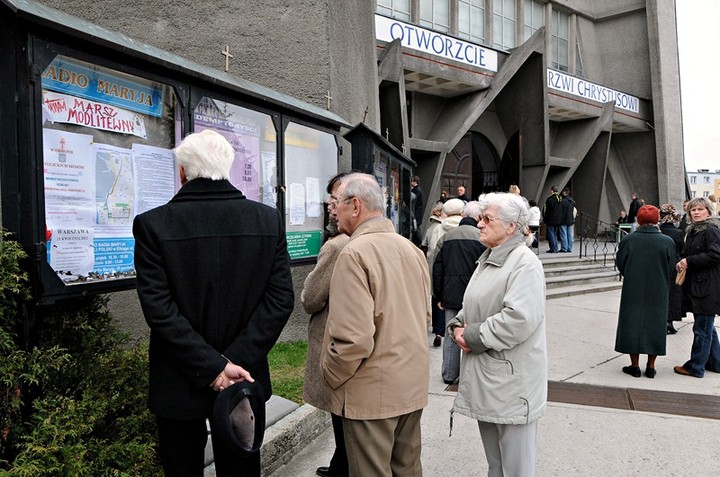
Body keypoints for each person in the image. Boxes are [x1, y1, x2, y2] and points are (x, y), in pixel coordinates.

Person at [133, 130, 294, 477]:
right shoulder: (267, 221)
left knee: (182, 469)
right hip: (244, 376)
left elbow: (159, 310)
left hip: (179, 377)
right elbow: (280, 299)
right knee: (241, 467)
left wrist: (213, 368)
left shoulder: (152, 225)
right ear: (228, 167)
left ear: (182, 172)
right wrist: (231, 365)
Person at [321, 173, 431, 476]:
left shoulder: (353, 253)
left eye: (336, 203)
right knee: (407, 469)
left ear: (355, 206)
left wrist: (330, 376)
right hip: (409, 386)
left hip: (370, 394)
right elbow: (424, 319)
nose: (333, 210)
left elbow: (352, 340)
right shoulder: (411, 249)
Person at [447, 192, 546, 477]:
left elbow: (519, 319)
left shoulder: (524, 263)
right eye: (481, 217)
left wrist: (473, 335)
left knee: (516, 469)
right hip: (491, 381)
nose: (479, 223)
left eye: (487, 218)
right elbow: (473, 306)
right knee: (496, 465)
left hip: (513, 385)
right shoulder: (488, 258)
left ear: (511, 226)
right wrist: (456, 326)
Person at [301, 173, 351, 477]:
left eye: (335, 200)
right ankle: (339, 463)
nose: (330, 207)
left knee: (339, 411)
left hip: (332, 338)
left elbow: (311, 298)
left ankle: (341, 466)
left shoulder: (337, 246)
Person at [614, 205, 675, 378]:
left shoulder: (629, 240)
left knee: (631, 324)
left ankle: (634, 365)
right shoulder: (667, 241)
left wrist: (631, 274)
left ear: (639, 221)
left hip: (633, 288)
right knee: (655, 325)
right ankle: (651, 366)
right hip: (659, 289)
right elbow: (671, 267)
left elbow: (621, 263)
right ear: (657, 220)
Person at [432, 201, 486, 385]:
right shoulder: (482, 238)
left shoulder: (446, 238)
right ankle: (472, 376)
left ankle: (449, 374)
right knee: (474, 333)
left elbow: (437, 269)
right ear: (477, 218)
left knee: (451, 334)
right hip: (475, 293)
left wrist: (438, 295)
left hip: (450, 293)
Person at [673, 197, 720, 378]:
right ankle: (716, 363)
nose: (696, 212)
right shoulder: (694, 231)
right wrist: (682, 262)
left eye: (700, 209)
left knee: (702, 330)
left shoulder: (711, 230)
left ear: (708, 211)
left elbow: (716, 254)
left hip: (708, 288)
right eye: (693, 210)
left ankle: (695, 367)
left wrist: (689, 261)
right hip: (699, 287)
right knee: (707, 328)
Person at [421, 201, 447, 347]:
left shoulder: (431, 226)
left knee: (434, 294)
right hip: (438, 264)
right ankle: (439, 329)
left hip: (430, 263)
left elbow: (425, 243)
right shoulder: (440, 227)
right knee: (439, 296)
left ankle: (435, 325)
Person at [658, 204, 685, 335]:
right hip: (674, 265)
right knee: (673, 294)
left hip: (659, 264)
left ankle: (660, 321)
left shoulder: (658, 231)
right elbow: (682, 249)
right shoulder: (678, 232)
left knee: (660, 293)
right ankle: (670, 322)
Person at [543, 185, 563, 253]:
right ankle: (556, 248)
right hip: (558, 219)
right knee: (555, 234)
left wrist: (545, 218)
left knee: (551, 234)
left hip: (550, 219)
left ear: (552, 190)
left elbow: (546, 210)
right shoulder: (560, 198)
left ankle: (553, 248)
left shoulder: (550, 199)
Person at [559, 187, 575, 253]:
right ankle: (570, 248)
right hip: (570, 219)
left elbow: (561, 211)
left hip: (564, 220)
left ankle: (564, 248)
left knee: (563, 234)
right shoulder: (572, 201)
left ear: (564, 192)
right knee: (570, 235)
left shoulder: (563, 201)